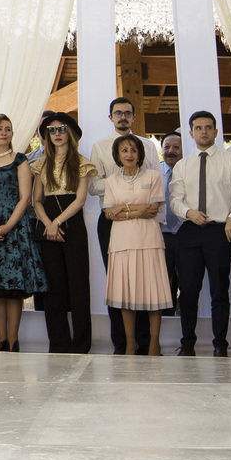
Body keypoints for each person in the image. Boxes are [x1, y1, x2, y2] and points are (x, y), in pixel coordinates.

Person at [169, 111, 231, 356]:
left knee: (220, 289)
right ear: (191, 133)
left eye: (208, 127)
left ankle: (220, 344)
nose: (204, 131)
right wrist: (188, 212)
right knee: (187, 290)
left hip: (220, 231)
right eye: (198, 128)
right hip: (190, 231)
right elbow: (175, 201)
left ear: (216, 132)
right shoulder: (183, 165)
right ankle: (187, 344)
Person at [90, 98, 162, 354]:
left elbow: (153, 180)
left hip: (144, 222)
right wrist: (119, 184)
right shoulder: (99, 147)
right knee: (118, 281)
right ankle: (122, 342)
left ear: (133, 117)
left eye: (127, 113)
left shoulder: (147, 145)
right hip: (111, 221)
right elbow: (93, 184)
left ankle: (146, 341)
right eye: (117, 113)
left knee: (143, 280)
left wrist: (125, 199)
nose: (122, 117)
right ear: (110, 117)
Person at [0, 114, 46, 351]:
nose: (4, 133)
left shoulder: (20, 160)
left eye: (8, 129)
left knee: (13, 287)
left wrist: (9, 226)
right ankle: (0, 340)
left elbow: (25, 198)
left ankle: (14, 341)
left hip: (15, 226)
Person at [31, 111, 96, 353]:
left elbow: (80, 200)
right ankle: (58, 343)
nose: (57, 134)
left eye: (61, 129)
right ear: (46, 135)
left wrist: (56, 222)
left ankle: (80, 344)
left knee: (78, 284)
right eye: (52, 130)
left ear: (70, 133)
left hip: (72, 224)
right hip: (47, 225)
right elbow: (36, 200)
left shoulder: (81, 162)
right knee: (53, 286)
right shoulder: (40, 164)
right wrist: (48, 224)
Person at [103, 134, 171, 356]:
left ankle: (154, 343)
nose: (129, 154)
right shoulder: (112, 180)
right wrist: (137, 210)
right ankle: (130, 344)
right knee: (125, 293)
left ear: (140, 154)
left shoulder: (152, 176)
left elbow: (153, 209)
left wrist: (124, 209)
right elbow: (109, 213)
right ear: (117, 155)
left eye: (133, 150)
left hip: (149, 239)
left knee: (154, 292)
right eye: (124, 150)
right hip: (122, 242)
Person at [159, 131, 184, 309]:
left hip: (186, 235)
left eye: (176, 147)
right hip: (161, 236)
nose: (171, 151)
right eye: (167, 147)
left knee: (188, 285)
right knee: (162, 286)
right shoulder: (153, 174)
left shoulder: (191, 172)